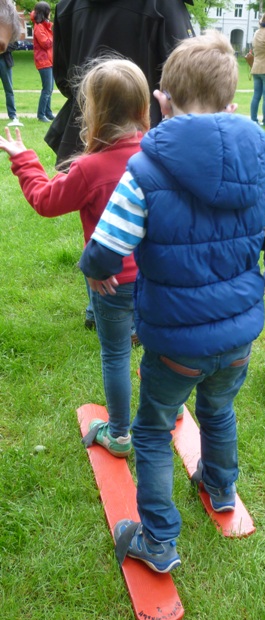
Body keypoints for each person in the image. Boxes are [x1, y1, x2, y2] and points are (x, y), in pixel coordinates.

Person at [80, 32, 265, 573]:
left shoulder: (145, 173)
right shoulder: (258, 169)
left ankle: (157, 540)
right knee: (218, 410)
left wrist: (97, 274)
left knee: (154, 430)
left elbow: (106, 248)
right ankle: (221, 489)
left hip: (175, 343)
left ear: (163, 101)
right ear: (231, 103)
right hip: (238, 340)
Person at [0, 57, 151, 458]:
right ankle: (160, 415)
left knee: (116, 353)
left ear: (93, 111)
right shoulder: (159, 156)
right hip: (158, 278)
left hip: (110, 281)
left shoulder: (89, 167)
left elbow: (46, 201)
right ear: (143, 107)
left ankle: (119, 434)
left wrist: (23, 158)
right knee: (156, 346)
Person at [44, 0, 194, 330]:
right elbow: (184, 70)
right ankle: (123, 305)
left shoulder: (69, 3)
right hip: (145, 130)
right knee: (146, 214)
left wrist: (95, 107)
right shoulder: (162, 2)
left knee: (101, 207)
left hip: (93, 123)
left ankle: (107, 303)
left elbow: (65, 73)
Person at [45, 0, 194, 164]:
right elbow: (188, 82)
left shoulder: (67, 5)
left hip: (84, 138)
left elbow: (64, 79)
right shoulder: (164, 4)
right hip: (145, 144)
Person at [30, 2, 54, 123]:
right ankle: (41, 115)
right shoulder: (39, 27)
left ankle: (48, 113)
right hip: (43, 62)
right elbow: (46, 43)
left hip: (50, 61)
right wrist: (54, 36)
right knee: (46, 89)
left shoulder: (45, 26)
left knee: (50, 89)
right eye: (49, 11)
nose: (50, 13)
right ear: (45, 12)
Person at [0, 42, 23, 126]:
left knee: (9, 90)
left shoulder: (8, 30)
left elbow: (15, 44)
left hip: (5, 61)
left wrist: (2, 49)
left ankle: (12, 115)